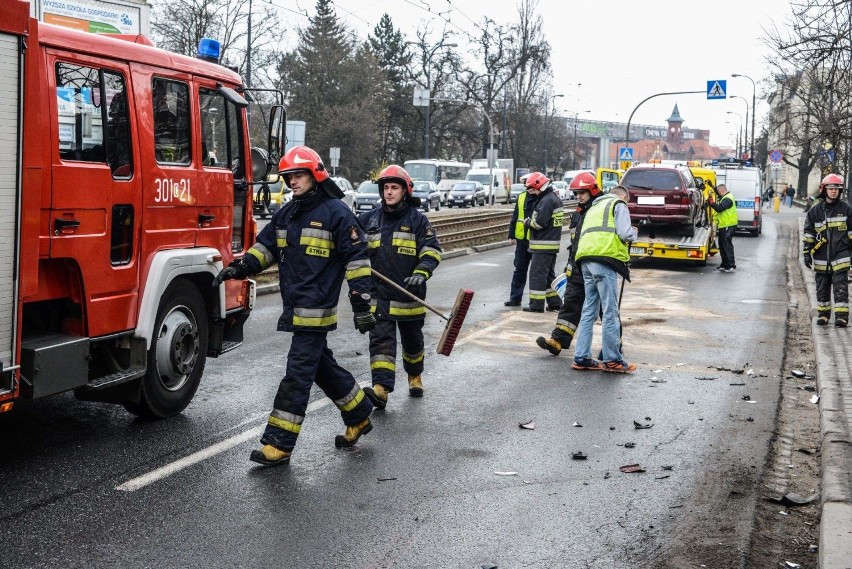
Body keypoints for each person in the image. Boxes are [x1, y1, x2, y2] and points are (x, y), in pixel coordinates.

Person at [214, 146, 376, 467]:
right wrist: (240, 267)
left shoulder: (337, 213)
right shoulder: (287, 213)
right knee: (319, 367)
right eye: (288, 178)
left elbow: (357, 262)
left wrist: (361, 303)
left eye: (298, 176)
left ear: (315, 175)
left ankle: (280, 443)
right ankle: (358, 412)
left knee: (297, 375)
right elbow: (266, 248)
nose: (292, 183)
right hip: (295, 308)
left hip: (316, 311)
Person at [358, 165, 443, 408]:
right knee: (381, 343)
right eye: (386, 188)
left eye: (394, 187)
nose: (389, 192)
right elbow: (350, 240)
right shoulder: (369, 219)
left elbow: (432, 250)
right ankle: (381, 389)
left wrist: (421, 272)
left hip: (409, 297)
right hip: (379, 298)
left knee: (413, 342)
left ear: (405, 191)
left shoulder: (418, 220)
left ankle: (414, 375)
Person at [571, 185, 638, 373]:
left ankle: (582, 357)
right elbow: (625, 233)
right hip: (604, 260)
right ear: (624, 196)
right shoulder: (619, 205)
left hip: (585, 260)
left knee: (588, 311)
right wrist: (635, 233)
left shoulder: (594, 207)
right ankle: (612, 360)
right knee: (610, 311)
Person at [535, 171, 597, 355]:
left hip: (596, 266)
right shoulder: (579, 212)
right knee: (570, 304)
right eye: (577, 193)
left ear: (592, 191)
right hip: (577, 267)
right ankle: (558, 341)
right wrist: (570, 267)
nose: (579, 197)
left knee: (606, 310)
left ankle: (615, 344)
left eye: (582, 193)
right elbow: (575, 244)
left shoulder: (598, 210)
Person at [803, 173, 852, 327]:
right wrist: (806, 253)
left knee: (841, 288)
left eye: (837, 189)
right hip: (821, 257)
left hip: (841, 257)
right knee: (822, 288)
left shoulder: (846, 209)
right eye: (831, 188)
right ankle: (824, 315)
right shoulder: (815, 211)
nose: (834, 191)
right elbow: (809, 233)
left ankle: (842, 317)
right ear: (824, 190)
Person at [522, 172, 563, 313]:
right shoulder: (553, 198)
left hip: (543, 245)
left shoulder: (546, 201)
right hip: (550, 244)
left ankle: (536, 305)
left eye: (532, 189)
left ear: (540, 186)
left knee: (537, 275)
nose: (531, 193)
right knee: (548, 275)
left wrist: (527, 223)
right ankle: (555, 302)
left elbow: (539, 223)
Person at [504, 182, 538, 307]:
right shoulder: (522, 196)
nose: (530, 190)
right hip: (522, 240)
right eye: (528, 187)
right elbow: (515, 216)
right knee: (519, 270)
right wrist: (511, 235)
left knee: (538, 272)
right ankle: (515, 298)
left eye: (532, 187)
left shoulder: (542, 197)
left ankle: (545, 302)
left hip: (536, 240)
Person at [708, 183, 737, 272]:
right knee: (722, 245)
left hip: (728, 225)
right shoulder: (725, 197)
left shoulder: (728, 199)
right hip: (724, 225)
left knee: (727, 245)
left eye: (718, 192)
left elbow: (720, 208)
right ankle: (724, 264)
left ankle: (731, 265)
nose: (717, 194)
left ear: (721, 191)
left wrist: (712, 203)